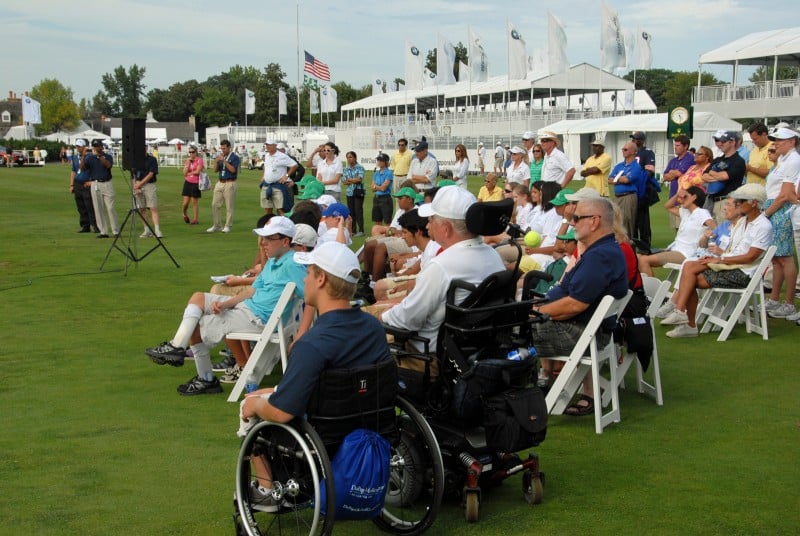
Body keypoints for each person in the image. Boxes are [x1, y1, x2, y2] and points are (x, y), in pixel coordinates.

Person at [238, 242, 390, 507]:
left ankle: (265, 487)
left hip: (323, 432)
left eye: (308, 273)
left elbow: (282, 413)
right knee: (266, 394)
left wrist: (253, 403)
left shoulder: (312, 343)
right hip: (369, 420)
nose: (305, 279)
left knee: (250, 402)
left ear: (321, 279)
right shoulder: (372, 326)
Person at [145, 216, 307, 395]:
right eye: (263, 238)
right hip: (248, 309)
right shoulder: (275, 261)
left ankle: (205, 379)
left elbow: (310, 297)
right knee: (198, 298)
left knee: (196, 325)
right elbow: (251, 291)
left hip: (257, 319)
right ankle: (177, 346)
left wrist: (301, 333)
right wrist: (226, 304)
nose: (263, 243)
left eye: (269, 239)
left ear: (285, 241)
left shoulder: (293, 264)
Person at [530, 196, 629, 413]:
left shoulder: (600, 256)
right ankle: (533, 386)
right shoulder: (603, 250)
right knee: (510, 324)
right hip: (585, 330)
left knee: (507, 331)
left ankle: (517, 395)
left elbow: (575, 305)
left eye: (576, 217)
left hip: (580, 334)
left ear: (594, 221)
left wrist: (536, 312)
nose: (571, 222)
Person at [378, 186, 506, 352]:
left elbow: (407, 319)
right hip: (476, 348)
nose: (428, 225)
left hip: (432, 353)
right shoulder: (492, 255)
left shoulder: (442, 266)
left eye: (430, 220)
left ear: (446, 228)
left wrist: (382, 316)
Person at [661, 183, 773, 338]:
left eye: (741, 201)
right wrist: (718, 258)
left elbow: (750, 257)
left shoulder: (763, 226)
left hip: (744, 273)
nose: (738, 204)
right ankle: (682, 315)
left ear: (754, 203)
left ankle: (686, 321)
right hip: (732, 266)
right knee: (690, 267)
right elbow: (734, 250)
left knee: (690, 274)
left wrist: (721, 259)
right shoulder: (742, 222)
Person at [762, 127, 800, 319]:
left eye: (781, 140)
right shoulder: (783, 159)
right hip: (774, 206)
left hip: (781, 209)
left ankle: (789, 303)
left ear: (792, 141)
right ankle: (775, 299)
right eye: (775, 139)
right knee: (776, 258)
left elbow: (785, 194)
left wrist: (766, 213)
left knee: (785, 257)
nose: (776, 142)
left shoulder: (793, 159)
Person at [637, 186, 715, 276]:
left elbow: (715, 228)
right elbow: (668, 206)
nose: (682, 199)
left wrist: (708, 237)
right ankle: (646, 286)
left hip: (687, 253)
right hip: (675, 249)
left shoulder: (701, 212)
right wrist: (678, 194)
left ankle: (649, 289)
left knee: (644, 260)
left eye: (685, 197)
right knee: (639, 257)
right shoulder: (686, 212)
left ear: (694, 197)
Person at [703, 130, 747, 222]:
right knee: (711, 231)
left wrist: (712, 173)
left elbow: (724, 176)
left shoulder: (738, 161)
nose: (720, 144)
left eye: (723, 141)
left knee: (724, 231)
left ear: (732, 142)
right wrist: (717, 176)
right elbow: (704, 176)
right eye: (719, 141)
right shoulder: (718, 159)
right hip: (712, 200)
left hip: (727, 200)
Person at [609, 141, 647, 242]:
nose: (623, 151)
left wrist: (616, 179)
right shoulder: (619, 166)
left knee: (626, 223)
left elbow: (627, 180)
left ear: (633, 152)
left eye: (625, 149)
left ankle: (627, 247)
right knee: (614, 222)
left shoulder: (636, 167)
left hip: (628, 196)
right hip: (617, 197)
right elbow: (609, 180)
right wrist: (621, 179)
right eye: (623, 149)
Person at [82, 139, 118, 238]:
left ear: (102, 146)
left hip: (106, 183)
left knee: (110, 208)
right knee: (98, 208)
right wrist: (84, 156)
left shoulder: (107, 156)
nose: (97, 148)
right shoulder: (90, 158)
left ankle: (115, 230)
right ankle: (103, 231)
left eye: (98, 146)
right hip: (95, 183)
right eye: (95, 146)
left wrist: (99, 156)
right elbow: (83, 168)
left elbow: (107, 165)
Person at [630, 131, 658, 251]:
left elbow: (650, 171)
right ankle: (634, 242)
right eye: (633, 139)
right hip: (632, 189)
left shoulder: (647, 153)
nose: (633, 141)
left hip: (643, 189)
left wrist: (640, 181)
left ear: (641, 141)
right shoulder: (631, 153)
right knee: (633, 219)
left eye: (636, 139)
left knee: (643, 219)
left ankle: (645, 244)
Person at [661, 135, 696, 230]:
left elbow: (679, 173)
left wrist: (673, 173)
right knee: (676, 227)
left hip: (685, 198)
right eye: (675, 145)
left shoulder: (690, 158)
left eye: (678, 145)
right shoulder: (673, 161)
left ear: (686, 146)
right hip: (674, 198)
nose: (675, 147)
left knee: (685, 227)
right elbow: (665, 177)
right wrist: (674, 173)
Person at [207, 139, 240, 233]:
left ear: (229, 147)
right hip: (220, 182)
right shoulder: (220, 156)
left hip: (230, 182)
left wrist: (224, 161)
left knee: (229, 206)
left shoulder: (234, 157)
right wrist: (216, 162)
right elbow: (215, 170)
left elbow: (233, 170)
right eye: (221, 148)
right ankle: (217, 225)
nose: (223, 150)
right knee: (214, 204)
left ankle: (227, 225)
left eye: (224, 148)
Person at [259, 140, 297, 216]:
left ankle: (285, 225)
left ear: (275, 145)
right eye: (266, 145)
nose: (267, 146)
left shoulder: (282, 156)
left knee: (281, 209)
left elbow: (294, 165)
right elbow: (266, 167)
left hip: (278, 186)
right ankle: (270, 226)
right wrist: (263, 176)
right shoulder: (267, 155)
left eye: (269, 145)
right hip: (267, 185)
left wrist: (286, 176)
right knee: (267, 209)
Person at [68, 139, 98, 233]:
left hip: (86, 182)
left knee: (90, 205)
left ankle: (96, 226)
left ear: (84, 147)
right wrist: (71, 184)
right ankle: (85, 225)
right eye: (77, 146)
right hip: (78, 183)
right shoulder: (75, 157)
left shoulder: (90, 157)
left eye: (79, 146)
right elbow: (73, 171)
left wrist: (92, 181)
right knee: (80, 206)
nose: (77, 148)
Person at [134, 144, 163, 238]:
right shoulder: (136, 160)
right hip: (138, 185)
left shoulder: (152, 159)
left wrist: (140, 184)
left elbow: (151, 174)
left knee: (153, 207)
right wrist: (136, 185)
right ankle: (146, 229)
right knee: (142, 208)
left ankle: (157, 230)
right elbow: (134, 174)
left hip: (149, 185)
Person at [343, 150, 366, 236]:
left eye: (351, 157)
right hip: (349, 192)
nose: (349, 159)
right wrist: (353, 180)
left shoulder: (360, 167)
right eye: (348, 157)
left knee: (358, 211)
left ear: (355, 158)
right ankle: (353, 230)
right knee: (351, 212)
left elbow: (359, 179)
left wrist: (349, 180)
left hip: (358, 192)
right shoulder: (346, 168)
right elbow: (344, 181)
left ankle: (361, 230)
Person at [181, 146, 204, 225]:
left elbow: (198, 171)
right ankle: (184, 213)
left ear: (196, 152)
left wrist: (189, 173)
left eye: (193, 152)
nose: (191, 154)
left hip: (196, 182)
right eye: (190, 152)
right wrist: (188, 164)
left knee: (194, 201)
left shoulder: (199, 160)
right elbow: (184, 173)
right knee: (185, 203)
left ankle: (195, 219)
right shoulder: (188, 161)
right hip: (188, 182)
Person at [372, 153, 394, 225]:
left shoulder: (389, 173)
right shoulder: (376, 173)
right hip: (376, 198)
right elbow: (372, 188)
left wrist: (376, 187)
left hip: (385, 199)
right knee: (377, 221)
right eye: (378, 160)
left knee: (387, 222)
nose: (379, 162)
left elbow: (383, 188)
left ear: (386, 162)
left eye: (381, 160)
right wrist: (378, 187)